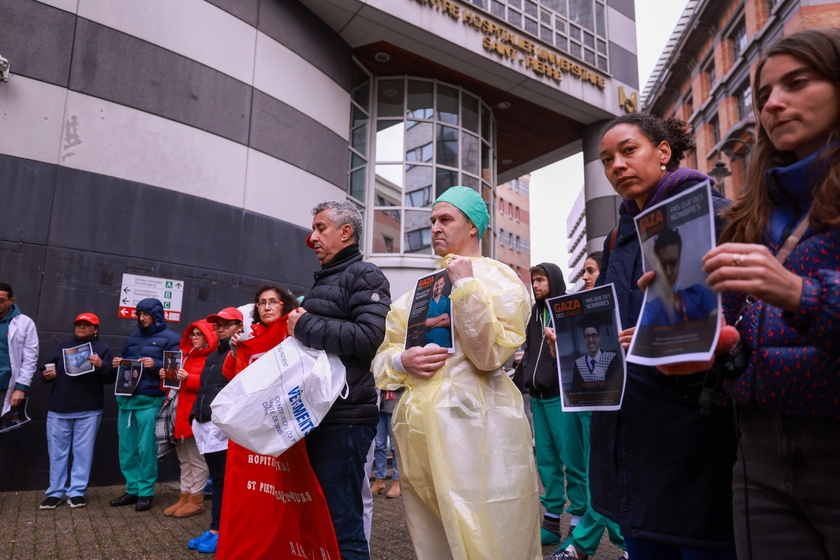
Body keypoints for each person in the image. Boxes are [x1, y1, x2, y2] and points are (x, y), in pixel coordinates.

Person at [702, 28, 840, 560]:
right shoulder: (748, 212)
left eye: (798, 83)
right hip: (757, 452)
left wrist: (801, 293)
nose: (774, 104)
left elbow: (791, 297)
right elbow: (736, 329)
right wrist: (686, 321)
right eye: (762, 96)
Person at [579, 113, 737, 560]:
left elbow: (744, 317)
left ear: (662, 152)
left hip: (695, 429)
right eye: (607, 160)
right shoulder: (617, 239)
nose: (617, 166)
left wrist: (693, 333)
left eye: (629, 151)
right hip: (630, 430)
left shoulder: (718, 215)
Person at [373, 186, 540, 560]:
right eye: (432, 220)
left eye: (445, 219)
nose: (435, 227)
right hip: (417, 432)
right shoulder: (420, 290)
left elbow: (489, 354)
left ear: (473, 228)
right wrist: (403, 361)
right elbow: (384, 354)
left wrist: (465, 285)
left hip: (477, 432)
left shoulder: (502, 281)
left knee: (487, 530)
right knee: (433, 535)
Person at [287, 200, 391, 560]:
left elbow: (368, 338)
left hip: (344, 420)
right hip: (320, 415)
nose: (311, 237)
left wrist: (303, 325)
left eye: (320, 228)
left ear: (346, 232)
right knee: (322, 522)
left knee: (342, 524)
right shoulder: (327, 280)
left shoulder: (366, 275)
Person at [546, 254, 628, 560]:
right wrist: (560, 352)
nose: (585, 277)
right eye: (584, 272)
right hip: (585, 408)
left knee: (605, 473)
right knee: (594, 471)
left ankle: (584, 544)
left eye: (591, 271)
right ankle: (623, 544)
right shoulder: (580, 361)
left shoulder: (610, 351)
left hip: (613, 408)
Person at [512, 263, 587, 546]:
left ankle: (579, 524)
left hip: (562, 397)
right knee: (546, 461)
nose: (535, 285)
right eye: (533, 280)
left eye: (540, 280)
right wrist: (525, 375)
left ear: (552, 280)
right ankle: (552, 523)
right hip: (539, 398)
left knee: (573, 460)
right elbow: (530, 348)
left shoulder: (568, 307)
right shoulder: (535, 312)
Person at [109, 298, 181, 512]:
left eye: (146, 314)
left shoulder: (171, 338)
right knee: (126, 448)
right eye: (139, 314)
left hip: (150, 400)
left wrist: (155, 364)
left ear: (157, 315)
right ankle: (132, 489)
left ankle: (146, 492)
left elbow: (174, 371)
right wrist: (118, 363)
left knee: (146, 449)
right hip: (126, 399)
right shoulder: (133, 338)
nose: (142, 318)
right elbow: (127, 366)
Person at [38, 312, 115, 509]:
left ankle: (77, 492)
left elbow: (111, 378)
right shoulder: (62, 346)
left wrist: (101, 365)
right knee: (56, 453)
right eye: (78, 324)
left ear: (95, 329)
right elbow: (44, 372)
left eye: (86, 325)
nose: (81, 327)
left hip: (89, 410)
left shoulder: (103, 349)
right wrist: (46, 375)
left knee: (83, 453)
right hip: (59, 409)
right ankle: (55, 492)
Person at [186, 307, 242, 553]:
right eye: (217, 324)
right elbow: (205, 389)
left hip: (223, 427)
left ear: (239, 327)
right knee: (219, 480)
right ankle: (216, 528)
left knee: (225, 481)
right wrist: (194, 414)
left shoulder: (239, 352)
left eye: (226, 324)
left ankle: (221, 530)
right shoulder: (211, 356)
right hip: (205, 423)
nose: (220, 328)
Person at [160, 319, 217, 518]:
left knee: (197, 460)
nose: (193, 338)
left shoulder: (210, 358)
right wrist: (165, 377)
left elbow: (210, 385)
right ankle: (184, 497)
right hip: (180, 415)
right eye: (191, 334)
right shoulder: (185, 356)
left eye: (198, 334)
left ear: (207, 336)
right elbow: (172, 388)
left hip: (194, 415)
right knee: (184, 459)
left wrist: (188, 378)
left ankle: (196, 500)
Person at [640, 228, 717, 327]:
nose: (668, 273)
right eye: (663, 265)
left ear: (679, 261)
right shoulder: (652, 308)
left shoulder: (700, 293)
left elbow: (717, 321)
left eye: (673, 263)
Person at [0, 282, 38, 416]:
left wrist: (20, 388)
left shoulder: (25, 323)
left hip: (4, 387)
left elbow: (30, 359)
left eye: (1, 300)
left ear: (11, 301)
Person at [568, 321, 622, 399]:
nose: (591, 340)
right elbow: (575, 391)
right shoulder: (579, 363)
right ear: (584, 339)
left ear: (599, 337)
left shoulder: (612, 360)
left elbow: (618, 387)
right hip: (587, 407)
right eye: (587, 336)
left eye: (594, 335)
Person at [369, 389, 402, 499]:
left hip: (395, 404)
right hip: (378, 404)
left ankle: (397, 481)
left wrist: (386, 383)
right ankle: (379, 480)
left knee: (395, 446)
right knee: (378, 445)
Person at [424, 274, 452, 347]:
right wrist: (442, 317)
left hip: (445, 341)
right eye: (436, 285)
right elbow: (425, 323)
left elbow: (450, 321)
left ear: (444, 283)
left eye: (441, 284)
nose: (439, 287)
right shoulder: (425, 303)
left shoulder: (448, 301)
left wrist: (431, 325)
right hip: (429, 342)